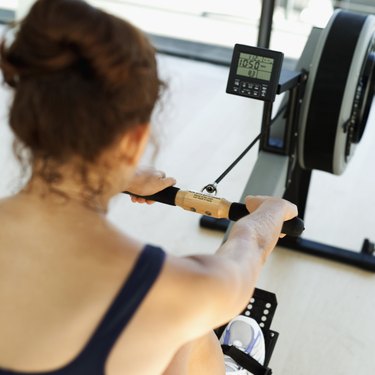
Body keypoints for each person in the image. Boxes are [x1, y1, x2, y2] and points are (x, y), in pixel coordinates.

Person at [0, 0, 298, 374]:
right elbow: (247, 251)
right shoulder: (166, 291)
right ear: (134, 140)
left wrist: (112, 175)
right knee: (186, 330)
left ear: (23, 124)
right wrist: (267, 217)